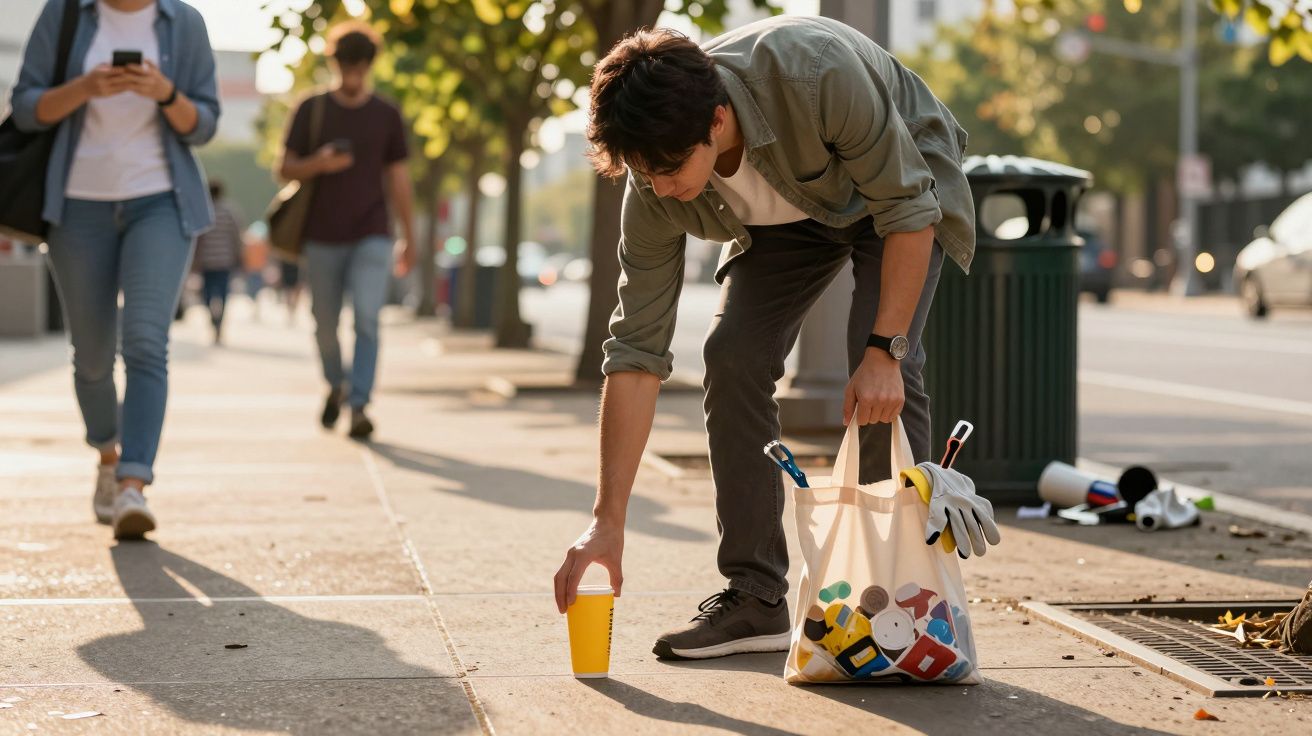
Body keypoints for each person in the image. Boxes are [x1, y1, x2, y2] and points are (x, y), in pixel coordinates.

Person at [553, 17, 976, 660]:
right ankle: (756, 598)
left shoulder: (818, 74)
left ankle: (903, 598)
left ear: (717, 119)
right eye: (645, 172)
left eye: (669, 169)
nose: (661, 188)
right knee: (733, 356)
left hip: (896, 190)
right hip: (791, 216)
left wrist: (885, 352)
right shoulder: (655, 176)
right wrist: (606, 521)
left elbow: (909, 210)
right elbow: (636, 350)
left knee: (878, 373)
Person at [11, 0, 219, 539]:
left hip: (161, 202)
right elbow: (26, 107)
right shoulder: (66, 13)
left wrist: (165, 93)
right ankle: (107, 454)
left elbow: (204, 124)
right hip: (76, 206)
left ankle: (133, 483)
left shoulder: (184, 22)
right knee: (93, 357)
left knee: (147, 341)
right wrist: (85, 87)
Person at [276, 21, 415, 442]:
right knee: (324, 323)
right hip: (320, 236)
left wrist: (409, 237)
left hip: (373, 232)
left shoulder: (386, 114)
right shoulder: (311, 108)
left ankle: (359, 405)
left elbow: (399, 179)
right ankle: (335, 384)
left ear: (370, 66)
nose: (352, 76)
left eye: (360, 68)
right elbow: (284, 167)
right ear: (334, 64)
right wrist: (318, 163)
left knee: (368, 318)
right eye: (346, 67)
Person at [192, 179, 244, 344]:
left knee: (206, 293)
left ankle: (213, 318)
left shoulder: (203, 211)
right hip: (225, 260)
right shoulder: (230, 212)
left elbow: (197, 237)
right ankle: (219, 320)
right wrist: (239, 256)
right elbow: (236, 236)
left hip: (207, 260)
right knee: (223, 292)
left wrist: (194, 260)